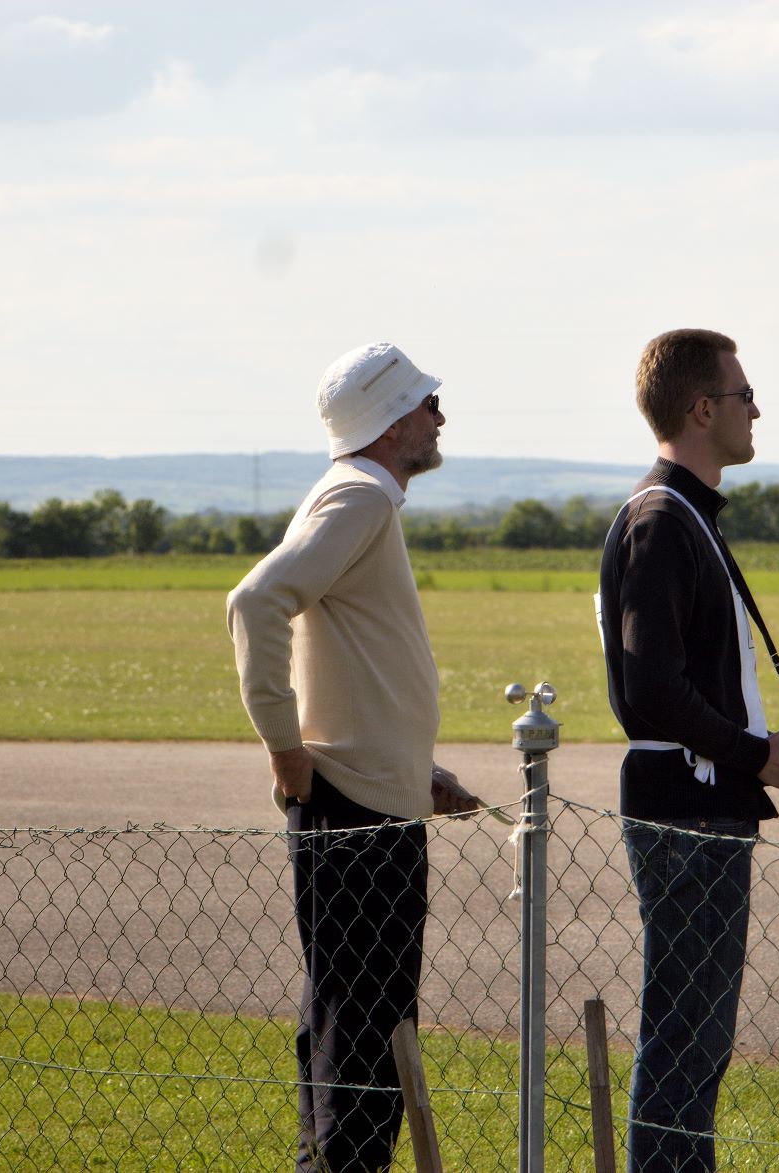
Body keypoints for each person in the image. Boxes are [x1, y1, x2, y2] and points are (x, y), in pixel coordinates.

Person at [227, 341, 481, 1173]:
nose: (439, 416)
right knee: (365, 1038)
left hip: (368, 796)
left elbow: (350, 659)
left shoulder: (356, 493)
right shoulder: (361, 494)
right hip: (356, 814)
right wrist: (284, 749)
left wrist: (416, 773)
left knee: (349, 1023)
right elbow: (256, 600)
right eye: (427, 403)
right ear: (390, 421)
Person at [597, 328, 779, 1173]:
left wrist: (757, 749)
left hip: (701, 802)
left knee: (698, 1041)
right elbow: (651, 687)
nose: (755, 410)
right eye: (744, 396)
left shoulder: (680, 513)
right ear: (702, 409)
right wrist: (754, 755)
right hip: (688, 812)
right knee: (685, 1040)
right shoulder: (663, 520)